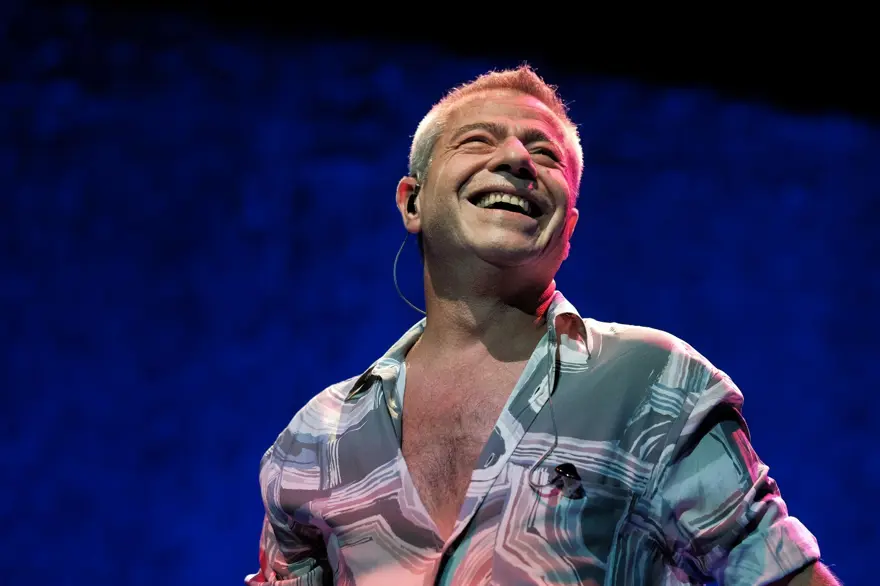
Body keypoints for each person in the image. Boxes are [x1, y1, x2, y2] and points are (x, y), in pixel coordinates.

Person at [245, 66, 839, 585]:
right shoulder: (315, 439)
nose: (516, 160)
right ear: (412, 203)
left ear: (568, 227)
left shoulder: (655, 386)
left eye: (545, 154)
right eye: (478, 140)